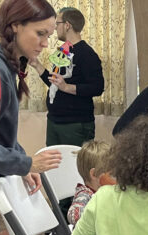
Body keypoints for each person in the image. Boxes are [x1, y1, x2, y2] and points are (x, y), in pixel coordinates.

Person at [0, 0, 63, 235]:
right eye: (40, 33)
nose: (46, 43)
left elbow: (1, 134)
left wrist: (22, 164)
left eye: (49, 35)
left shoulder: (6, 63)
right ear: (15, 26)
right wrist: (24, 162)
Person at [29, 7, 104, 147]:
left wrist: (67, 87)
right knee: (53, 167)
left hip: (75, 124)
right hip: (54, 120)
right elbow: (55, 84)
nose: (55, 28)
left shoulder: (87, 54)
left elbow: (98, 87)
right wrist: (37, 65)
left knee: (74, 167)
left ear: (67, 25)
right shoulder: (64, 50)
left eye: (57, 23)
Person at [67, 140, 111, 226]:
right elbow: (74, 215)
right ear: (94, 174)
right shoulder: (85, 195)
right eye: (111, 174)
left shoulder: (110, 191)